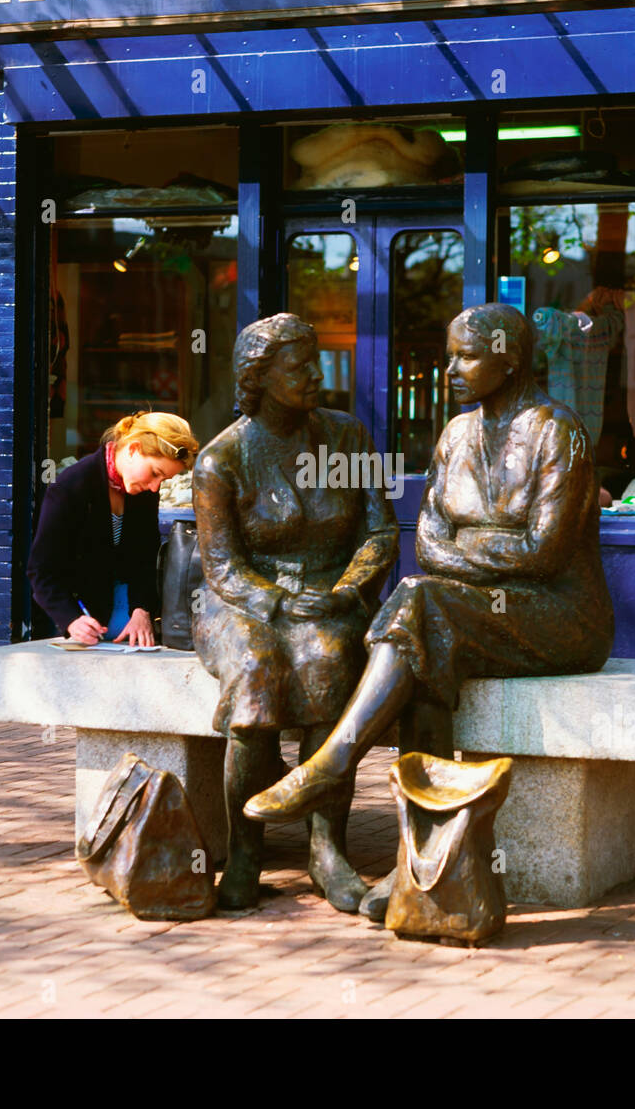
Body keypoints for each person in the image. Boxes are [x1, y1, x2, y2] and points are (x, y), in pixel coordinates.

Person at [244, 304, 614, 910]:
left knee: (420, 605)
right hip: (473, 613)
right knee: (421, 648)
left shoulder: (557, 431)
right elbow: (429, 540)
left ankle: (332, 764)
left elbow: (543, 555)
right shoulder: (456, 435)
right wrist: (490, 546)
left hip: (560, 617)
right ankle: (419, 862)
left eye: (465, 356)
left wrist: (468, 548)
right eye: (448, 355)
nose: (449, 369)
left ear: (509, 357)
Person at [192, 314, 399, 912]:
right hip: (240, 600)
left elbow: (380, 533)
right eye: (298, 366)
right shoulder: (220, 460)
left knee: (329, 661)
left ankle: (326, 849)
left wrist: (345, 591)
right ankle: (247, 850)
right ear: (258, 376)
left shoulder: (348, 438)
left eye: (315, 361)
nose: (314, 375)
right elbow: (223, 567)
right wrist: (279, 601)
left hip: (330, 598)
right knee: (258, 671)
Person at [28, 412, 198, 646]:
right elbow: (41, 570)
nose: (155, 486)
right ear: (133, 449)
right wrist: (72, 620)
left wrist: (142, 611)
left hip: (124, 604)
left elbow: (145, 556)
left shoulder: (144, 490)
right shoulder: (71, 485)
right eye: (155, 473)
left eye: (164, 480)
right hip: (79, 610)